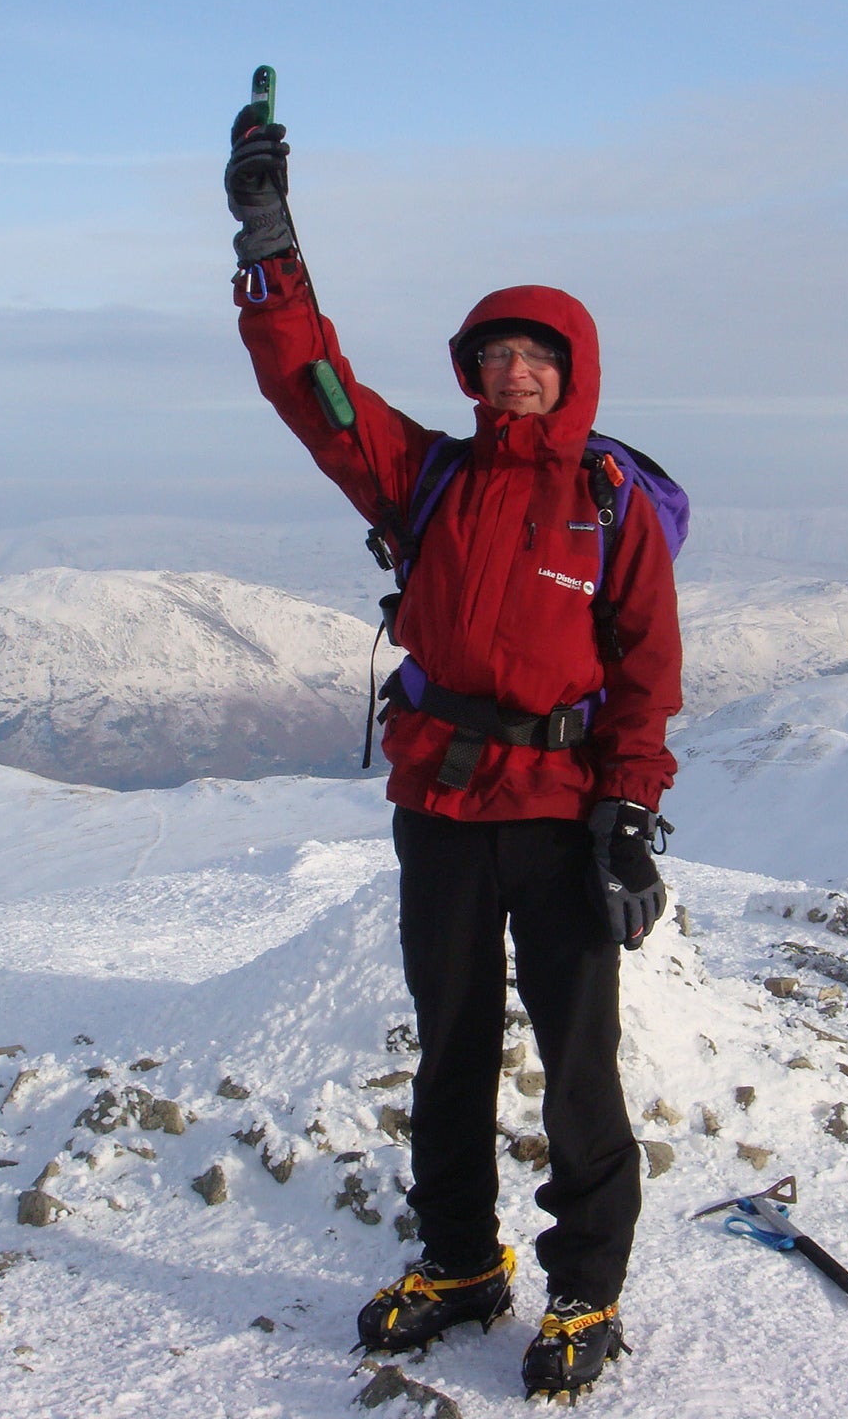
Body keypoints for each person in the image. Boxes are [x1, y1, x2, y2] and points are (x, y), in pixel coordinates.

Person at [224, 102, 682, 1399]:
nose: (514, 376)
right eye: (495, 357)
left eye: (537, 358)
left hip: (559, 810)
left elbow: (647, 668)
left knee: (578, 1059)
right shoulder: (423, 478)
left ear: (571, 372)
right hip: (439, 804)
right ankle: (462, 1261)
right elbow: (309, 387)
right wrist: (269, 241)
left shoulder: (610, 505)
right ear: (472, 373)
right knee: (453, 1043)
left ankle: (585, 1288)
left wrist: (632, 813)